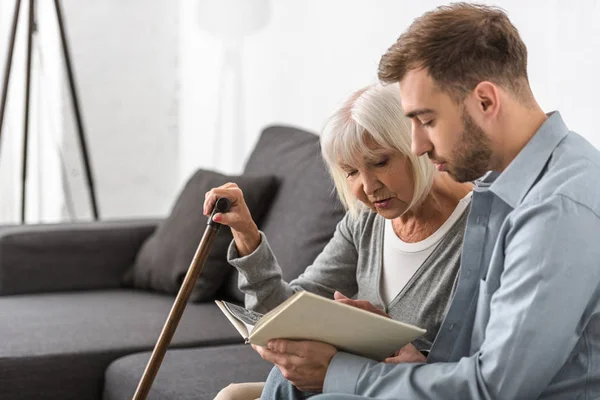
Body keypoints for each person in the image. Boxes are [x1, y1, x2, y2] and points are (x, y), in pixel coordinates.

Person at [260, 3, 600, 399]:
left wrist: (342, 373)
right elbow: (479, 355)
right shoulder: (502, 189)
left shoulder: (555, 210)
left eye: (427, 121)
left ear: (486, 102)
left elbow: (493, 388)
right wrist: (393, 347)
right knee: (288, 383)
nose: (418, 145)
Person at [206, 83, 473, 400]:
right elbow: (286, 313)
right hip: (357, 381)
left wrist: (409, 355)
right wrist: (247, 236)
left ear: (414, 145)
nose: (367, 187)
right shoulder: (364, 221)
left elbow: (488, 366)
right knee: (236, 394)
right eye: (351, 172)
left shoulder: (479, 230)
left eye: (380, 162)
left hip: (413, 390)